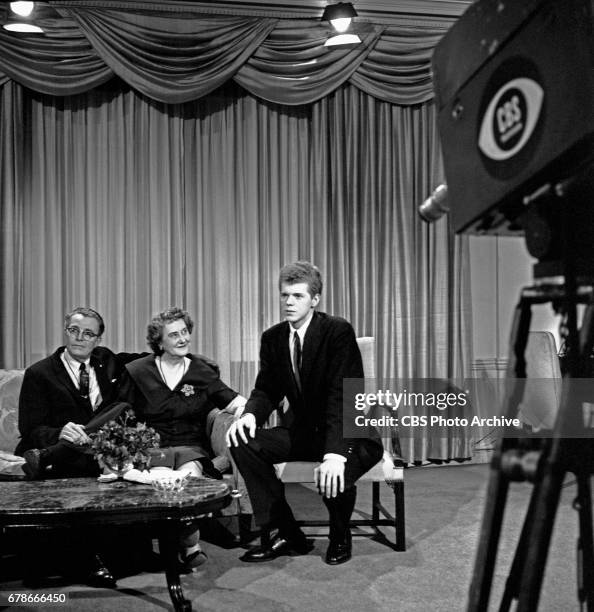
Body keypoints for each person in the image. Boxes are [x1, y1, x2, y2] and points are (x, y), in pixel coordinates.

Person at [226, 261, 383, 565]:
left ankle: (340, 534)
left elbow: (345, 396)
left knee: (335, 473)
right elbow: (267, 389)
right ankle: (287, 532)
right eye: (284, 295)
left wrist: (335, 454)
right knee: (241, 441)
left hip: (349, 433)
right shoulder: (273, 338)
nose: (288, 302)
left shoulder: (336, 331)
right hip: (304, 432)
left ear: (315, 299)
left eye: (297, 296)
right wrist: (250, 415)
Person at [15, 306, 137, 588]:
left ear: (98, 340)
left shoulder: (107, 365)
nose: (79, 338)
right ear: (65, 331)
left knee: (122, 416)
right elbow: (30, 428)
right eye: (74, 330)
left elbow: (126, 404)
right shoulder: (40, 373)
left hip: (95, 447)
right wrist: (61, 432)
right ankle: (86, 561)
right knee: (81, 469)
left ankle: (124, 555)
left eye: (88, 333)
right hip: (65, 450)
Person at [119, 307, 246, 569]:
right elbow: (120, 413)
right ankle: (186, 544)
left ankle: (189, 544)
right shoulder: (138, 371)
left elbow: (236, 402)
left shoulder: (201, 371)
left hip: (191, 447)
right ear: (159, 342)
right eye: (174, 334)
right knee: (164, 481)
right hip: (152, 447)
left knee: (189, 482)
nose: (182, 339)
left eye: (185, 332)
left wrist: (246, 415)